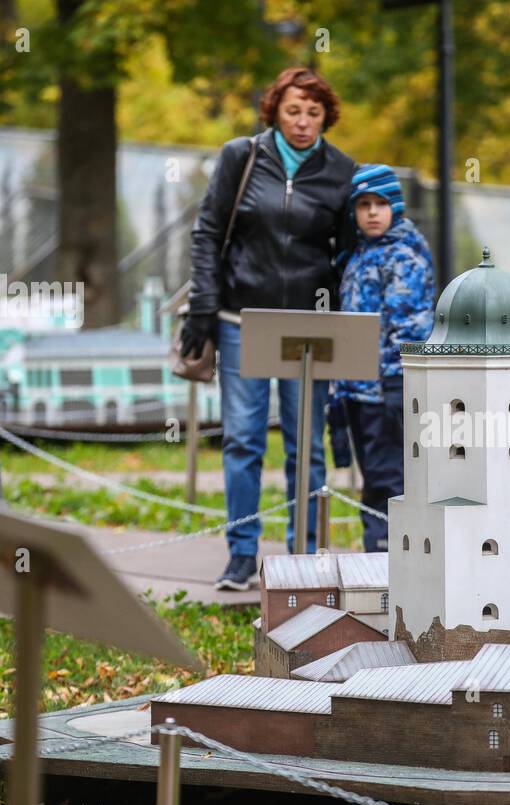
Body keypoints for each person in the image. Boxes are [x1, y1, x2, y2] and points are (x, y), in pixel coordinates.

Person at [181, 66, 356, 590]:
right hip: (241, 320)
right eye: (293, 111)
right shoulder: (242, 156)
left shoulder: (343, 172)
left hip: (311, 325)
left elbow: (347, 254)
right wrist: (203, 306)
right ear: (275, 111)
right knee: (243, 441)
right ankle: (240, 555)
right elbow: (208, 232)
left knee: (308, 445)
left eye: (314, 112)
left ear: (327, 116)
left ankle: (303, 555)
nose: (303, 122)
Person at [330, 164, 435, 551]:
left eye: (381, 203)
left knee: (390, 479)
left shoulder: (403, 257)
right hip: (358, 391)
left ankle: (390, 560)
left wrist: (396, 386)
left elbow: (409, 329)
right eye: (363, 204)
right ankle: (377, 551)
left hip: (387, 391)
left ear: (396, 208)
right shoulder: (358, 255)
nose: (372, 212)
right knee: (373, 477)